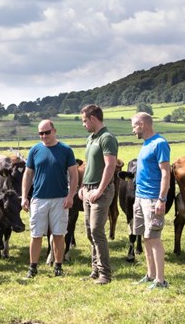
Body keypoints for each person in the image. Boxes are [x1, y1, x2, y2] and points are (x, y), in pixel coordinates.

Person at [21, 119, 78, 278]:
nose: (44, 136)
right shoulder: (34, 150)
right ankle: (33, 268)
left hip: (60, 199)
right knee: (36, 234)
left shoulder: (66, 150)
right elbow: (28, 174)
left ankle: (58, 267)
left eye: (47, 132)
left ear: (54, 131)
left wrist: (70, 195)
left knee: (59, 234)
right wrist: (24, 196)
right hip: (38, 199)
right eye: (41, 133)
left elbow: (73, 174)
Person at [78, 104, 119, 285]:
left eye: (85, 120)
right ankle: (95, 270)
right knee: (89, 231)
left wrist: (100, 190)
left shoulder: (107, 138)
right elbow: (88, 165)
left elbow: (110, 166)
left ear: (93, 118)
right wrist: (82, 187)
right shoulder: (91, 138)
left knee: (97, 231)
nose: (83, 124)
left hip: (100, 190)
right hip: (87, 189)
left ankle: (105, 274)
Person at [130, 112, 171, 289]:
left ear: (142, 124)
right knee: (145, 237)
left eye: (134, 126)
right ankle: (150, 274)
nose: (133, 130)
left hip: (153, 198)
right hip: (141, 197)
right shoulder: (146, 144)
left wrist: (161, 199)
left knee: (154, 237)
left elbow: (165, 173)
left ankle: (160, 280)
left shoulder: (159, 144)